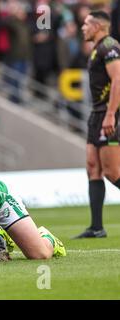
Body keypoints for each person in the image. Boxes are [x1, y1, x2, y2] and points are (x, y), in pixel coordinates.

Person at [74, 11, 120, 239]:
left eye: (86, 24)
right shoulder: (96, 48)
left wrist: (111, 114)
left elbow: (118, 79)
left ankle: (96, 226)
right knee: (93, 168)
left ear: (98, 25)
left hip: (108, 114)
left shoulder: (109, 46)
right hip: (96, 114)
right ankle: (96, 227)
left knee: (112, 172)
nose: (83, 27)